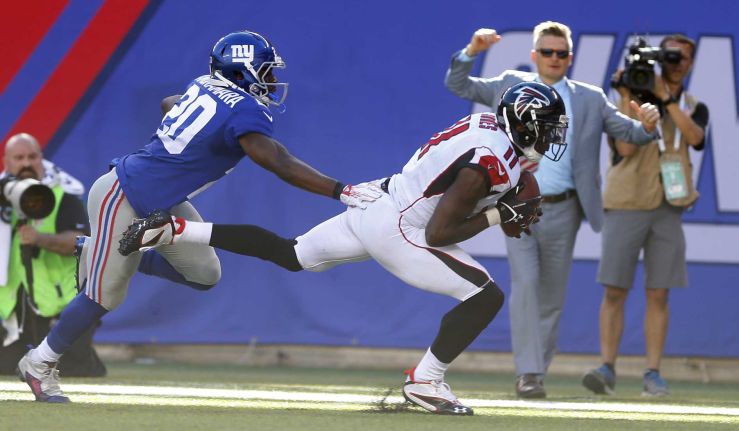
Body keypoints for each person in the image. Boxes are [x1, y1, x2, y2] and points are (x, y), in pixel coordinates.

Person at [120, 82, 568, 415]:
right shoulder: (490, 162)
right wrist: (497, 215)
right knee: (485, 295)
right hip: (402, 227)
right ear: (524, 122)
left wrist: (501, 201)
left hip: (379, 198)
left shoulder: (485, 126)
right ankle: (427, 381)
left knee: (292, 254)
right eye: (547, 127)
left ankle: (179, 230)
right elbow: (439, 233)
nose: (551, 138)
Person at [15, 30, 381, 403]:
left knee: (205, 274)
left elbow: (169, 102)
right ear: (242, 72)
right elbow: (276, 160)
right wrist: (341, 189)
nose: (272, 81)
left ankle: (98, 249)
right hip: (122, 193)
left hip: (160, 201)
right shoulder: (244, 107)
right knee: (104, 295)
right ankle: (38, 364)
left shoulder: (204, 82)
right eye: (266, 72)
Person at [444, 22, 661, 398]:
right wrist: (471, 51)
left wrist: (647, 126)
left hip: (564, 208)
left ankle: (536, 372)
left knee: (552, 297)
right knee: (526, 285)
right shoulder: (511, 83)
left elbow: (630, 133)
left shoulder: (590, 98)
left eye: (561, 53)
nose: (554, 59)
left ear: (570, 58)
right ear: (534, 56)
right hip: (514, 205)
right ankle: (528, 373)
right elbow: (458, 85)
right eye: (547, 52)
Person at [582, 34, 708, 397]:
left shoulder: (691, 104)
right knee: (615, 289)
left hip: (669, 205)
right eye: (669, 56)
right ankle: (607, 367)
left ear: (691, 63)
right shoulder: (631, 98)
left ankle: (653, 372)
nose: (676, 62)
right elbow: (624, 147)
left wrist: (665, 99)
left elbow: (695, 137)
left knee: (659, 293)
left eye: (683, 57)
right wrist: (627, 97)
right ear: (657, 59)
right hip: (625, 203)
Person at [0, 133, 105, 377]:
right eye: (19, 157)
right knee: (8, 368)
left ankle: (85, 355)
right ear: (7, 162)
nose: (26, 163)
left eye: (32, 156)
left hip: (61, 306)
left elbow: (80, 242)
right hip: (12, 309)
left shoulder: (63, 196)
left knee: (73, 369)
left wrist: (40, 239)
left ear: (41, 159)